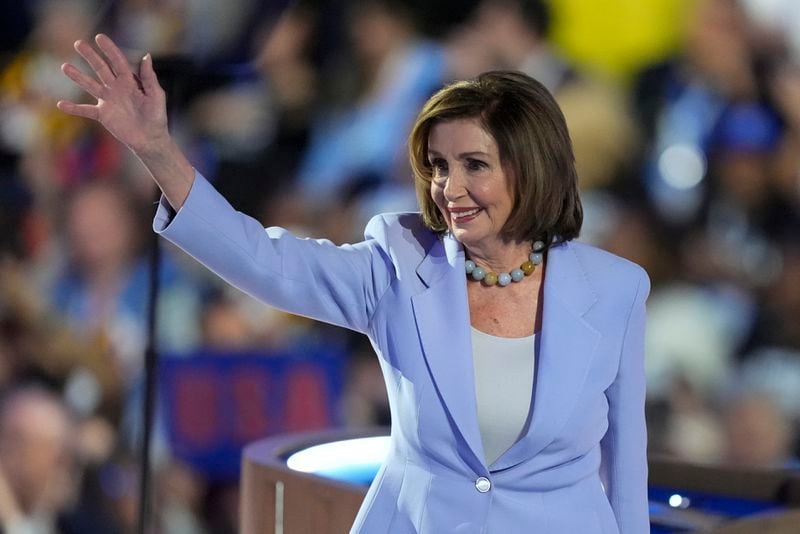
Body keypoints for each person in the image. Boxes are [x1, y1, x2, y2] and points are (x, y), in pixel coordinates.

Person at [58, 34, 650, 533]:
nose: (449, 188)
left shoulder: (616, 290)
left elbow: (624, 469)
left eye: (474, 165)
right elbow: (263, 261)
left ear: (531, 166)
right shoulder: (397, 264)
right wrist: (158, 150)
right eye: (439, 166)